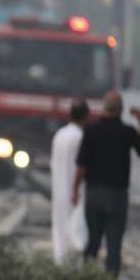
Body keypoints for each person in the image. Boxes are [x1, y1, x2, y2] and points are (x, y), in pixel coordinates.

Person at [72, 91, 140, 278]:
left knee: (93, 241)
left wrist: (75, 190)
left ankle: (86, 278)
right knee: (114, 245)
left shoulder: (91, 130)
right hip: (117, 196)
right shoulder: (127, 132)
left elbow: (81, 166)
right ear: (121, 110)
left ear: (104, 108)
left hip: (94, 195)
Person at [50, 100, 90, 265]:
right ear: (86, 116)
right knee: (76, 230)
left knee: (59, 227)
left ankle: (59, 262)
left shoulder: (59, 135)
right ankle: (74, 266)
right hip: (76, 190)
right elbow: (82, 166)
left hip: (59, 188)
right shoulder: (80, 137)